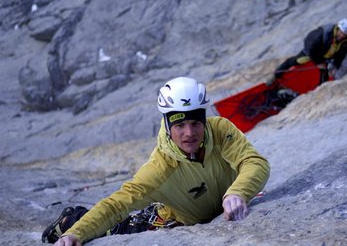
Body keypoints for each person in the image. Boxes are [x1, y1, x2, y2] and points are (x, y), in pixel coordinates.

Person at [42, 76, 270, 245]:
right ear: (169, 126)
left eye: (195, 123)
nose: (189, 133)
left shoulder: (220, 129)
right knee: (114, 229)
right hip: (169, 220)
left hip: (211, 208)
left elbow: (255, 162)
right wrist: (76, 233)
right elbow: (116, 205)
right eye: (180, 125)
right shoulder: (159, 168)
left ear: (204, 120)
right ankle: (69, 220)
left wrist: (237, 192)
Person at [268, 18, 347, 85]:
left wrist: (335, 66)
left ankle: (320, 90)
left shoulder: (346, 40)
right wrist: (318, 63)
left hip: (325, 56)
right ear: (337, 28)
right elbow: (310, 47)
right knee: (294, 61)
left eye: (344, 34)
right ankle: (275, 75)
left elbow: (341, 54)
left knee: (325, 74)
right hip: (312, 52)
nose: (342, 35)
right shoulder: (323, 33)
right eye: (341, 32)